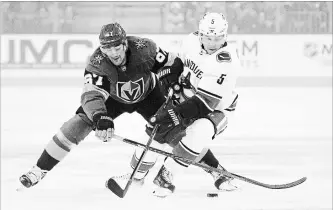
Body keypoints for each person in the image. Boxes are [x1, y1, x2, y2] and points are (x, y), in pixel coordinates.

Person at [18, 22, 183, 189]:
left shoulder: (144, 48)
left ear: (125, 43)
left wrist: (172, 77)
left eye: (117, 47)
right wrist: (100, 116)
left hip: (150, 94)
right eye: (107, 48)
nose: (113, 53)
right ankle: (38, 170)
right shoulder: (97, 63)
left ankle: (211, 170)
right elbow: (91, 95)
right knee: (76, 125)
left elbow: (172, 62)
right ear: (101, 48)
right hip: (112, 100)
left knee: (179, 133)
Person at [109, 12, 240, 198]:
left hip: (218, 109)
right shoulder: (192, 41)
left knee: (198, 131)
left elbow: (205, 103)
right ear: (200, 34)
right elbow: (180, 62)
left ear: (225, 36)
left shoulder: (226, 62)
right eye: (208, 38)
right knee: (157, 131)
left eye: (218, 38)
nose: (212, 43)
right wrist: (170, 75)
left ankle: (167, 175)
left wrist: (175, 113)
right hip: (188, 97)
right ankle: (135, 176)